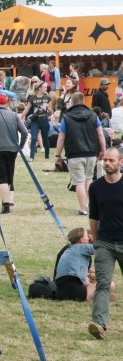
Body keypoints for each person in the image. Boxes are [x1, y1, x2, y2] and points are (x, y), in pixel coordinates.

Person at [87, 148, 123, 340]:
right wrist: (96, 240)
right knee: (102, 284)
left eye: (111, 160)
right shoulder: (96, 187)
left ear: (120, 162)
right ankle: (98, 324)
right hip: (105, 243)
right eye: (105, 160)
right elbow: (93, 216)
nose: (107, 163)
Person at [56, 92, 105, 216]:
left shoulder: (66, 118)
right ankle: (92, 206)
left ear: (72, 102)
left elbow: (61, 138)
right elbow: (100, 134)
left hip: (74, 153)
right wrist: (103, 150)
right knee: (89, 179)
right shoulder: (94, 116)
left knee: (79, 182)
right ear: (83, 101)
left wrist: (58, 155)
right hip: (91, 153)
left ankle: (83, 209)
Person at [55, 227, 98, 302]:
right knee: (110, 284)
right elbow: (102, 249)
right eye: (87, 235)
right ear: (81, 240)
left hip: (60, 291)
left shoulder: (69, 249)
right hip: (76, 290)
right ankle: (91, 296)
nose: (89, 237)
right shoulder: (81, 247)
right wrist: (95, 240)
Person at [23, 80, 53, 162]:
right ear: (40, 88)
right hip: (35, 120)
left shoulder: (48, 98)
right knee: (33, 138)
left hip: (44, 120)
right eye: (44, 87)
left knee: (45, 138)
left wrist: (47, 108)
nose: (46, 89)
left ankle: (47, 156)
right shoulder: (32, 98)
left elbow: (51, 111)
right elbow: (27, 109)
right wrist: (21, 117)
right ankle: (31, 156)